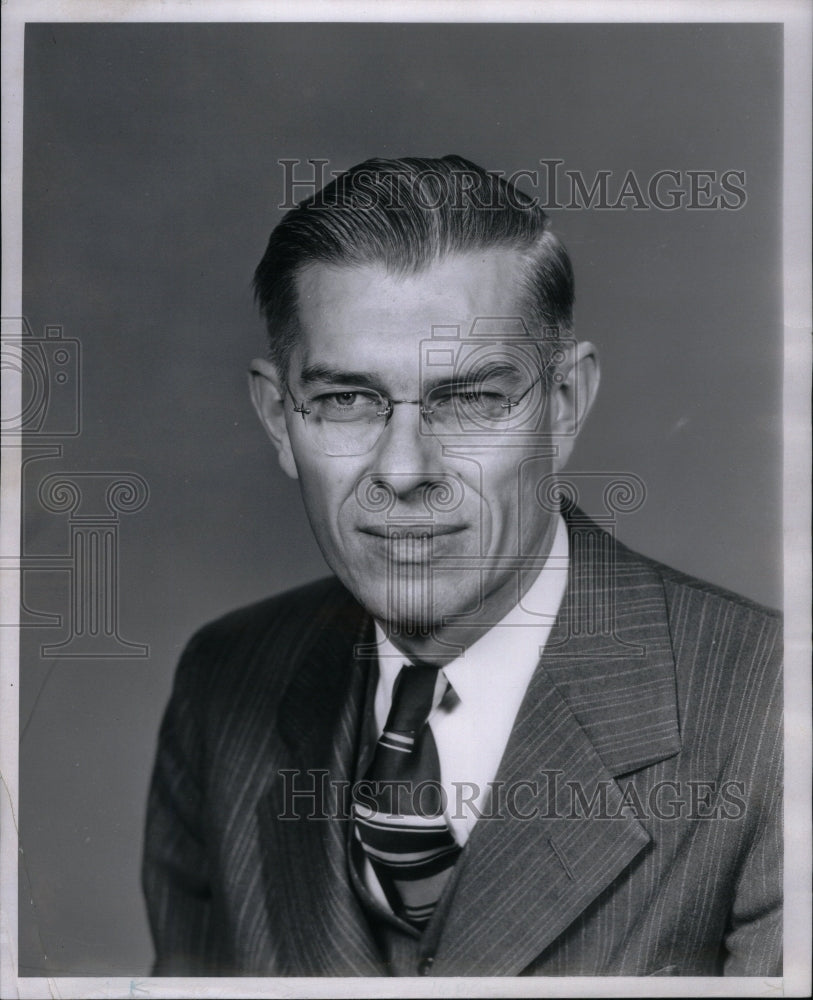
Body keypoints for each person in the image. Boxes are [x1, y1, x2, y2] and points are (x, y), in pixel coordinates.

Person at [142, 155, 782, 978]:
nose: (405, 470)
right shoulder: (222, 682)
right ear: (278, 417)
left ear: (564, 405)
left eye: (471, 399)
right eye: (346, 399)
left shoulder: (772, 718)